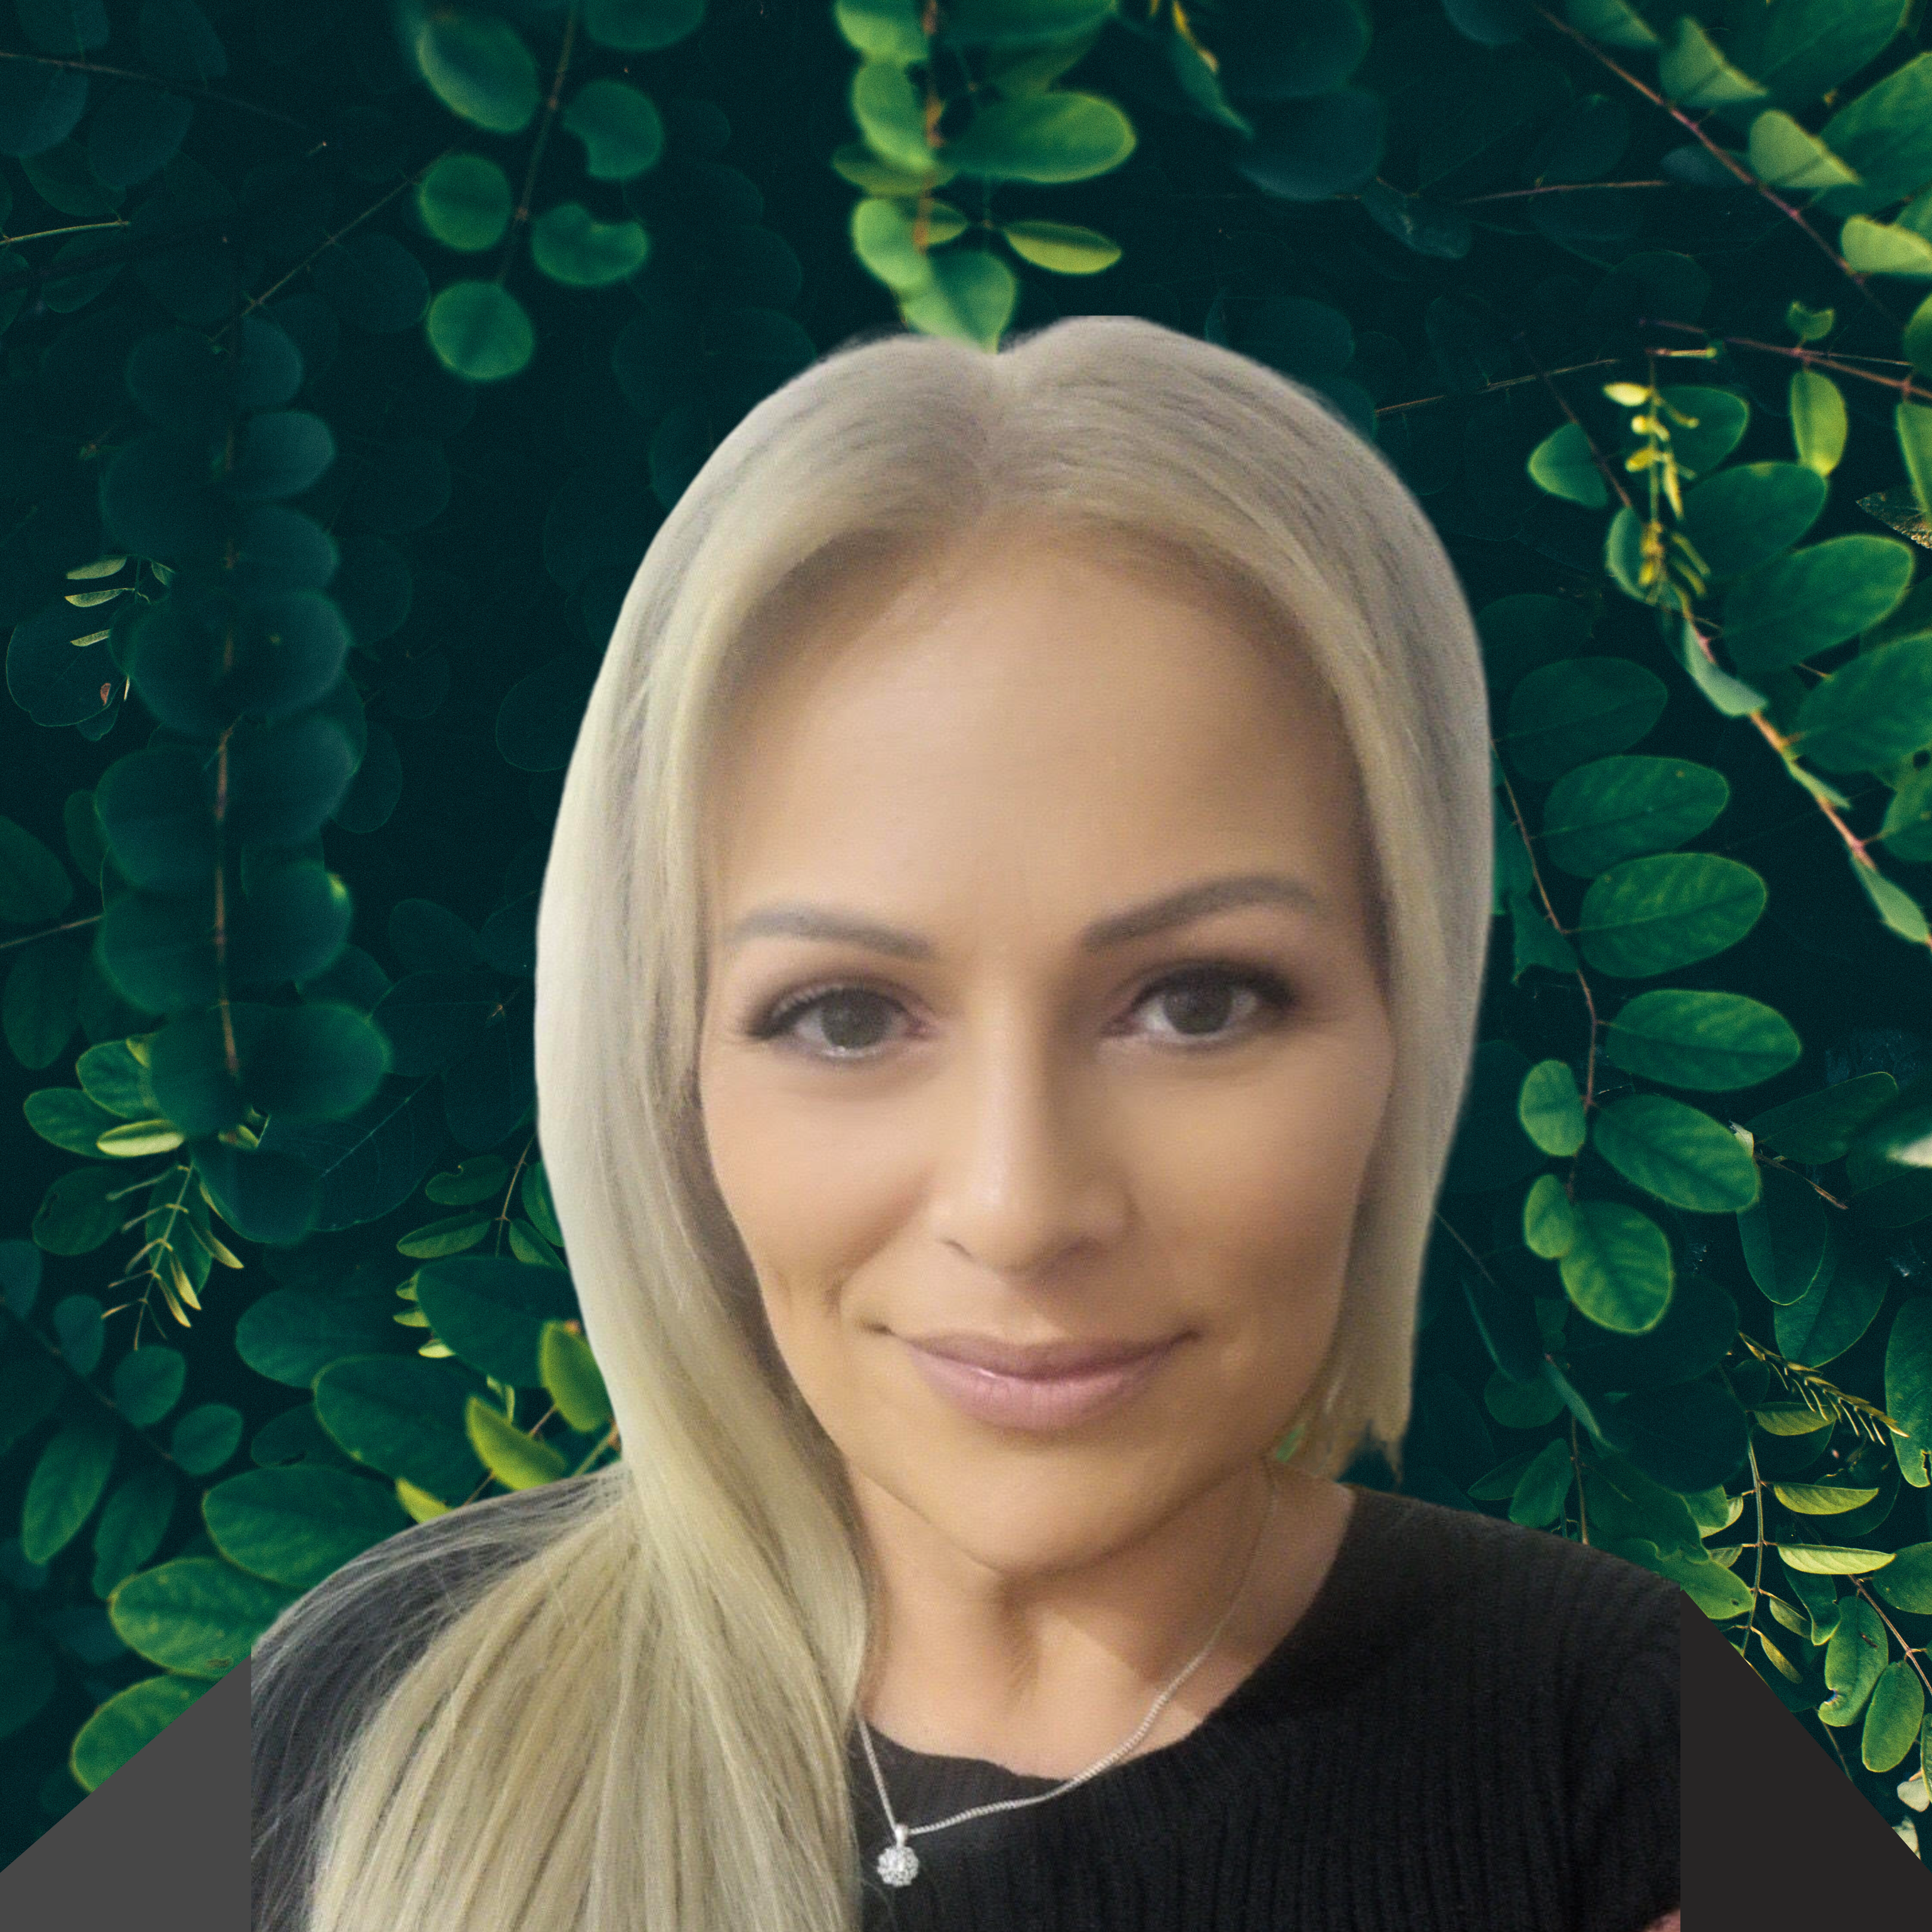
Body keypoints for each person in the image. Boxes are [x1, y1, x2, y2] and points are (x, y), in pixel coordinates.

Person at [251, 314, 1681, 1932]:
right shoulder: (391, 1705)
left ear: (1407, 1028)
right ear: (666, 1072)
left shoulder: (1608, 1740)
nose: (1018, 1203)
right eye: (847, 1017)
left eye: (1199, 1002)